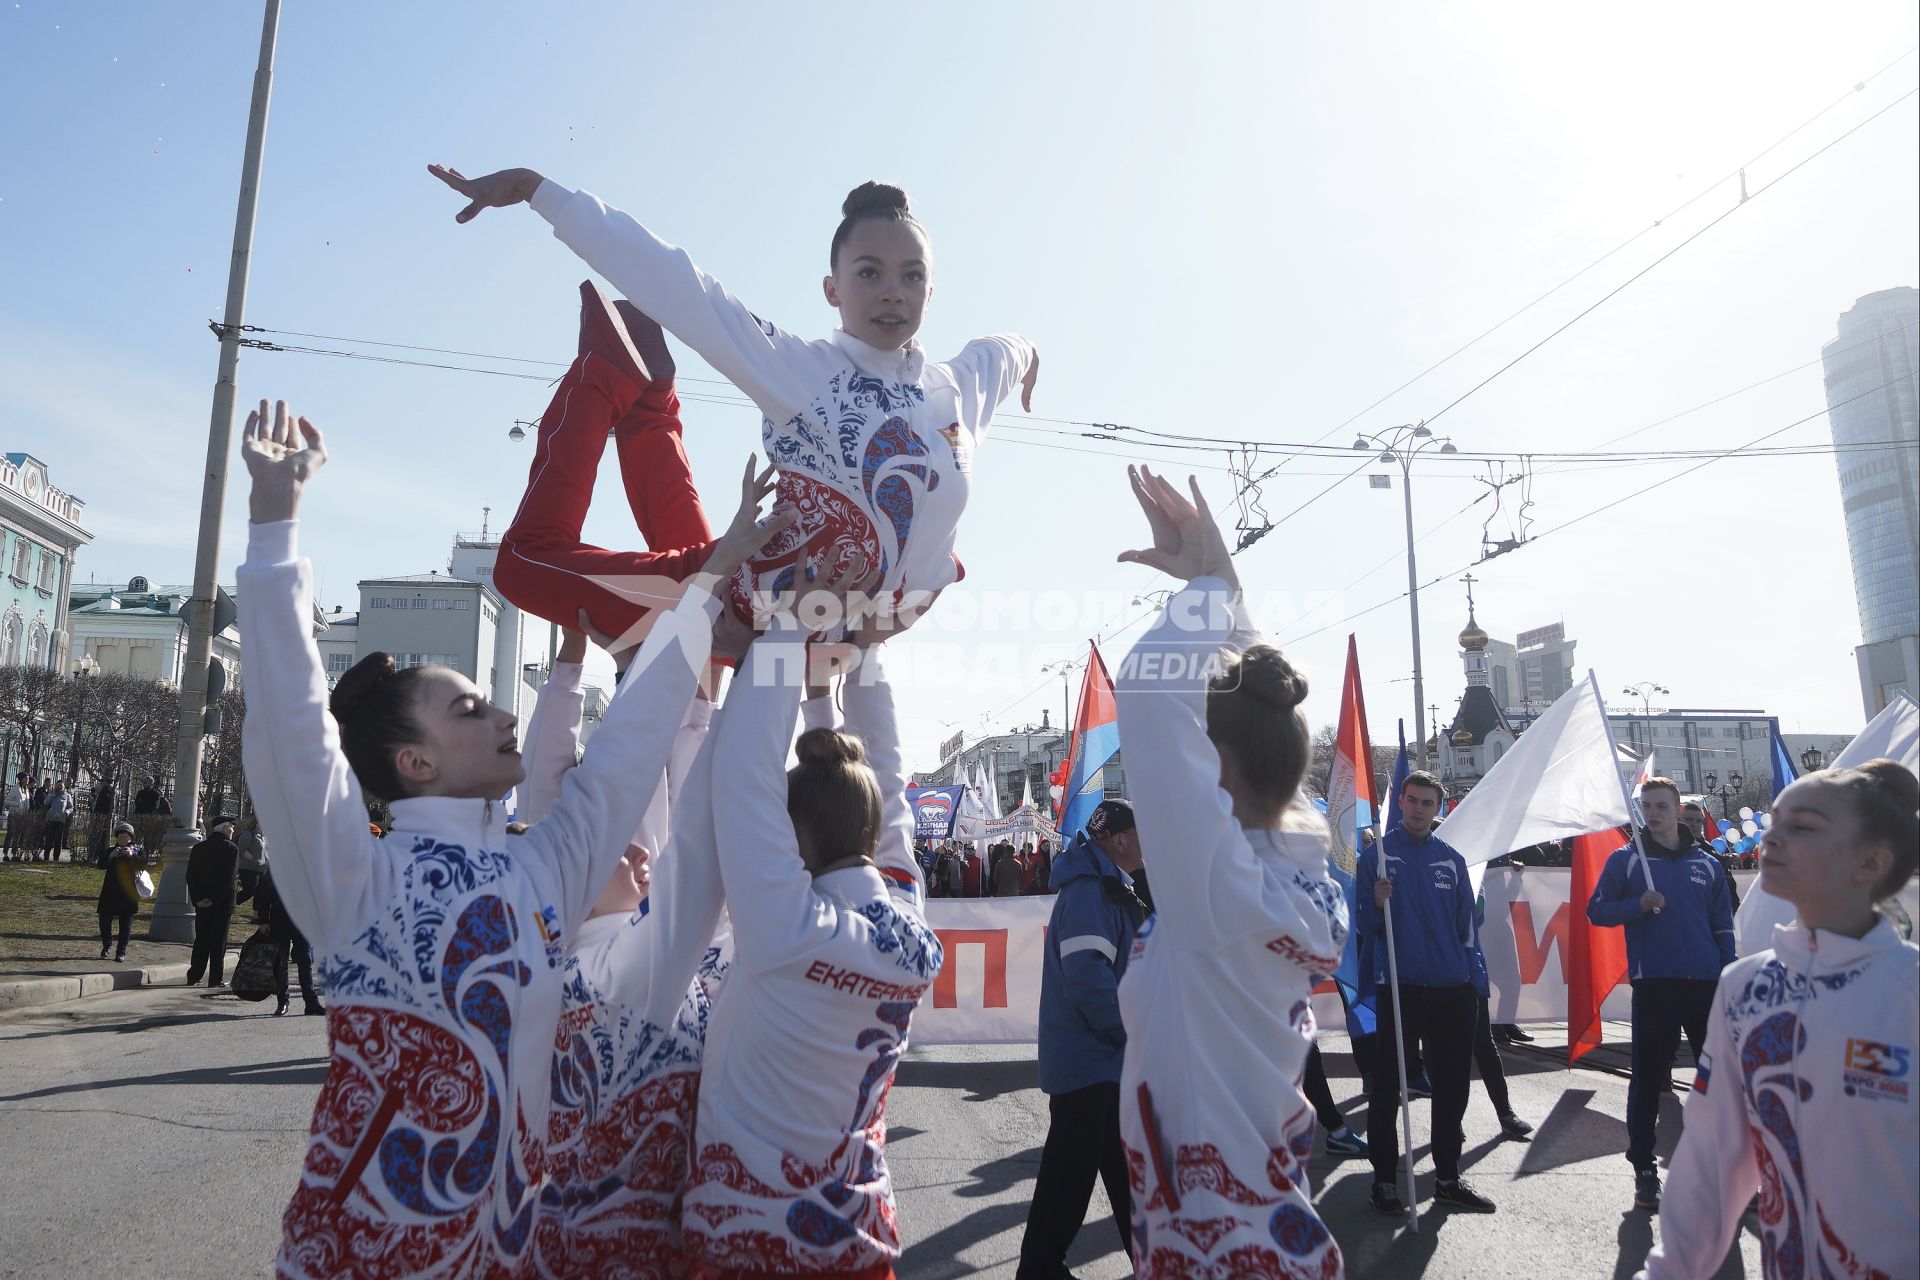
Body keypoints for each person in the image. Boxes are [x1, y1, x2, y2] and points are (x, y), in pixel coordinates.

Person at [234, 398, 786, 1279]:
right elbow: (290, 729)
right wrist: (274, 527)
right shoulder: (355, 880)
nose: (499, 714)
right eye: (467, 708)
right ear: (411, 761)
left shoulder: (545, 870)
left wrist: (712, 578)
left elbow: (634, 740)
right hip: (356, 1259)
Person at [430, 163, 1039, 636]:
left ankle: (649, 404)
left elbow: (1008, 349)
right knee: (520, 570)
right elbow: (689, 291)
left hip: (809, 630)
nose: (891, 293)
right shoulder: (805, 372)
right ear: (832, 288)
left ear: (931, 292)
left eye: (911, 277)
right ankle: (604, 378)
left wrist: (1031, 359)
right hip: (735, 600)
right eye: (869, 273)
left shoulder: (954, 390)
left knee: (701, 672)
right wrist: (541, 192)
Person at [1110, 467, 1347, 1277]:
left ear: (1209, 777)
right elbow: (1258, 727)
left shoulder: (1216, 894)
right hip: (1250, 1230)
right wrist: (1226, 590)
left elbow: (1144, 687)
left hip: (1225, 1252)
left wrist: (1211, 590)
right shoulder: (1287, 879)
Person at [687, 600, 941, 1278]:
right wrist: (832, 665)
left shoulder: (789, 930)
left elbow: (747, 773)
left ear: (792, 840)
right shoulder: (913, 935)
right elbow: (883, 804)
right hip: (858, 1239)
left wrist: (798, 628)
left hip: (750, 1244)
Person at [514, 618, 742, 1278]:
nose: (638, 849)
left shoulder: (644, 826)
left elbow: (693, 773)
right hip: (618, 977)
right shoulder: (571, 833)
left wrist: (706, 683)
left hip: (664, 981)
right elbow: (547, 771)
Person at [1639, 760, 1918, 1280]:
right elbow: (1712, 1158)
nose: (1774, 837)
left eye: (1804, 826)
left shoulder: (1909, 991)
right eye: (1776, 821)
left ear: (1872, 862)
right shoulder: (1745, 987)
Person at [1586, 775, 1736, 1212]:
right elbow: (1597, 910)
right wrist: (1637, 905)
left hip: (1706, 986)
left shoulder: (1707, 863)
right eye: (1646, 806)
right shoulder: (1626, 861)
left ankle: (1723, 1167)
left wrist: (1727, 977)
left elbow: (1722, 927)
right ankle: (1644, 1170)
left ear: (1677, 810)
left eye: (1661, 806)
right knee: (1649, 1080)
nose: (1653, 814)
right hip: (1654, 984)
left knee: (1718, 1083)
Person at [1355, 770, 1498, 1216]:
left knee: (1452, 1086)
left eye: (1427, 804)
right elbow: (1363, 926)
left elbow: (1467, 931)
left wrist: (1474, 981)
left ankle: (1448, 1177)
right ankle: (1383, 1182)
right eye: (1412, 801)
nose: (1418, 810)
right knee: (1389, 1087)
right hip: (1399, 986)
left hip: (1451, 990)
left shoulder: (1451, 861)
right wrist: (1376, 904)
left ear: (1438, 808)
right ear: (1401, 801)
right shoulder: (1376, 858)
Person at [1018, 798, 1149, 1279]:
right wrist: (1133, 1033)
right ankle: (1038, 1268)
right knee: (1067, 1185)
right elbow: (1090, 983)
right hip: (1090, 1065)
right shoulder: (1091, 893)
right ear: (1118, 840)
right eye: (1141, 832)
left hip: (1102, 1065)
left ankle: (1156, 1259)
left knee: (1125, 1175)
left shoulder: (1106, 886)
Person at [247, 861, 322, 1017]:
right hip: (279, 921)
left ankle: (311, 1003)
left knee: (305, 961)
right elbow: (264, 893)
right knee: (281, 964)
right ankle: (282, 1001)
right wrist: (263, 921)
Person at [184, 814, 241, 988]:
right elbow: (228, 878)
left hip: (202, 903)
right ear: (225, 828)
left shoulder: (198, 848)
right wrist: (214, 899)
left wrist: (199, 899)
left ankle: (194, 975)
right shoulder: (231, 849)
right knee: (219, 941)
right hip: (222, 903)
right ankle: (215, 978)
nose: (233, 830)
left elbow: (190, 876)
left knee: (201, 939)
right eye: (231, 827)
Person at [95, 823, 151, 962]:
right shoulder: (111, 850)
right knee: (104, 921)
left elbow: (143, 864)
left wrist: (132, 856)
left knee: (126, 924)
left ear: (130, 838)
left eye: (125, 837)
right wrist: (111, 857)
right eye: (120, 837)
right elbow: (100, 865)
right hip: (110, 893)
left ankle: (121, 952)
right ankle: (106, 946)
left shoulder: (137, 851)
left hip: (128, 893)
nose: (122, 839)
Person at [41, 778, 73, 862]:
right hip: (51, 819)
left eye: (61, 785)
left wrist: (66, 812)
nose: (59, 787)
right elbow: (46, 802)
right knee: (48, 840)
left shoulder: (67, 796)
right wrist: (52, 794)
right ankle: (46, 858)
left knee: (58, 841)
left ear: (64, 786)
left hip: (60, 821)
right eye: (58, 785)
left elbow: (71, 807)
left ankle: (56, 858)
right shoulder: (53, 794)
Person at [4, 770, 30, 860]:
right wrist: (17, 804)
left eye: (28, 778)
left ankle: (14, 854)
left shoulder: (26, 789)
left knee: (17, 836)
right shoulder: (15, 788)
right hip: (14, 815)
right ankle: (5, 854)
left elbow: (27, 803)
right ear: (21, 779)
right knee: (10, 834)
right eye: (26, 778)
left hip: (22, 815)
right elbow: (6, 800)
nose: (27, 780)